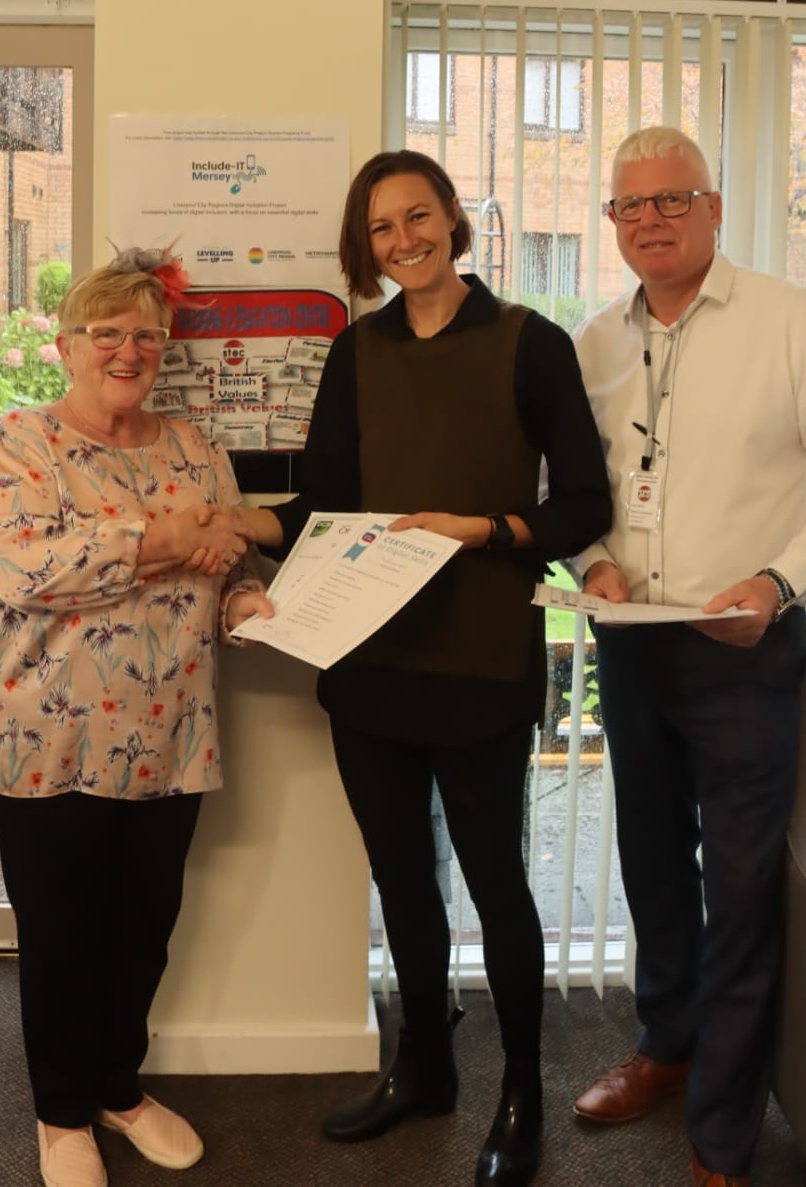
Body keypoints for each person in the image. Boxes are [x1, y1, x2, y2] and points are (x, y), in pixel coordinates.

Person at [230, 149, 612, 1187]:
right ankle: (427, 1068)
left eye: (418, 215)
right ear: (369, 247)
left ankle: (521, 1088)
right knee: (401, 876)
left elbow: (584, 506)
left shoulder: (532, 346)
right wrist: (242, 539)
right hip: (371, 660)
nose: (405, 240)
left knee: (497, 885)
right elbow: (325, 506)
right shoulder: (356, 353)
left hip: (481, 660)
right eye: (383, 228)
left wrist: (481, 529)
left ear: (453, 217)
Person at [568, 128, 806, 1187]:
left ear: (715, 209)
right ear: (612, 224)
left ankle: (723, 1127)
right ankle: (667, 1049)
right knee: (653, 868)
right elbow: (574, 489)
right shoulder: (595, 344)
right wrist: (591, 560)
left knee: (745, 889)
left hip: (746, 651)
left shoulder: (793, 323)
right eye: (630, 207)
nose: (650, 220)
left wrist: (775, 580)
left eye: (674, 200)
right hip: (633, 649)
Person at [0, 249, 273, 1187]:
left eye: (146, 334)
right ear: (65, 346)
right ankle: (60, 1115)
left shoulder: (193, 448)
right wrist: (168, 538)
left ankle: (117, 1087)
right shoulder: (21, 442)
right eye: (107, 333)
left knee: (144, 922)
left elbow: (230, 562)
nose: (128, 350)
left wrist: (244, 599)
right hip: (40, 735)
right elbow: (23, 570)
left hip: (172, 732)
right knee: (62, 932)